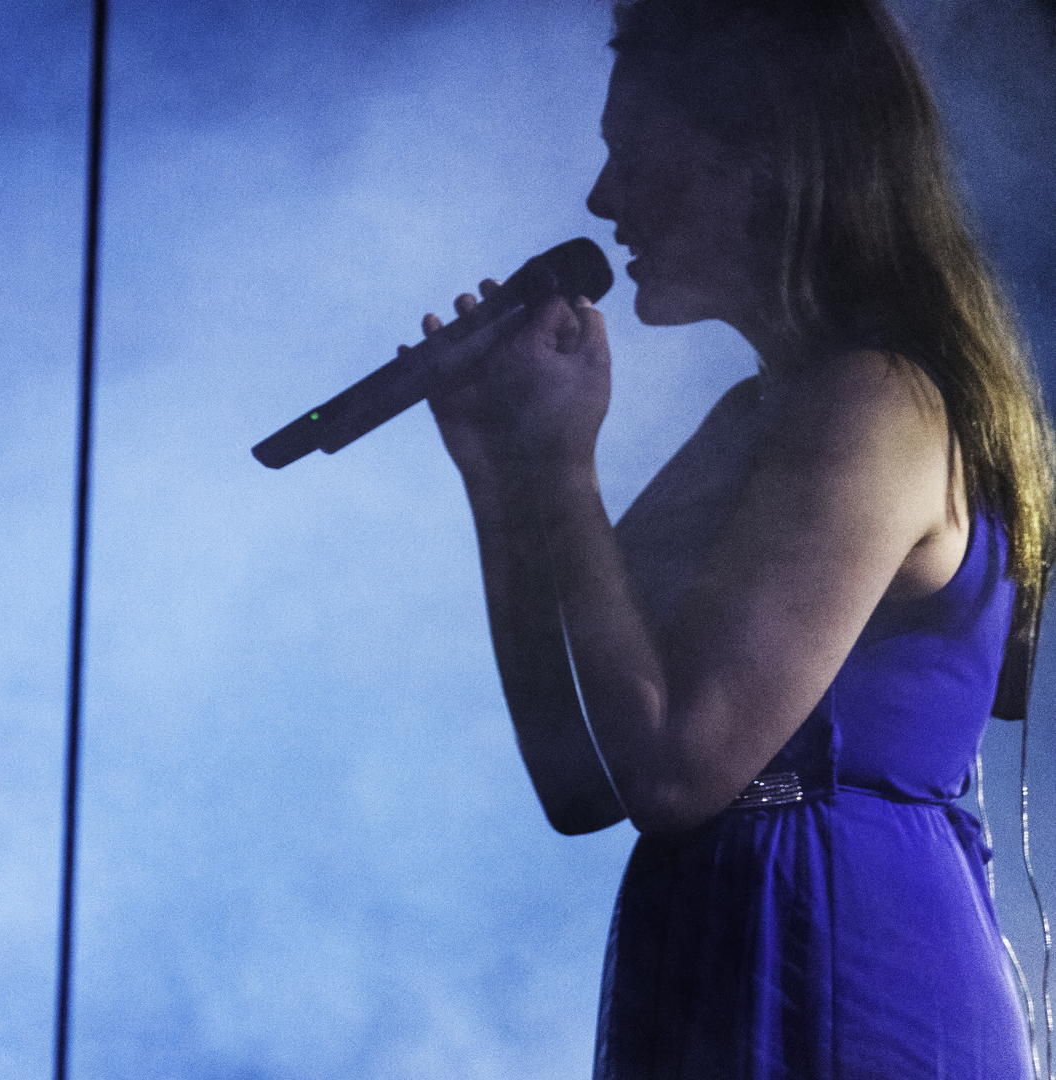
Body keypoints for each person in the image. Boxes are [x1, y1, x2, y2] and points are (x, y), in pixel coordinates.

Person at [420, 0, 1055, 1075]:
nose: (601, 198)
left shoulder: (877, 404)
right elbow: (582, 782)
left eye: (633, 153)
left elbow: (674, 770)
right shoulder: (755, 421)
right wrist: (511, 480)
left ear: (765, 161)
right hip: (728, 943)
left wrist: (567, 466)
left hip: (844, 956)